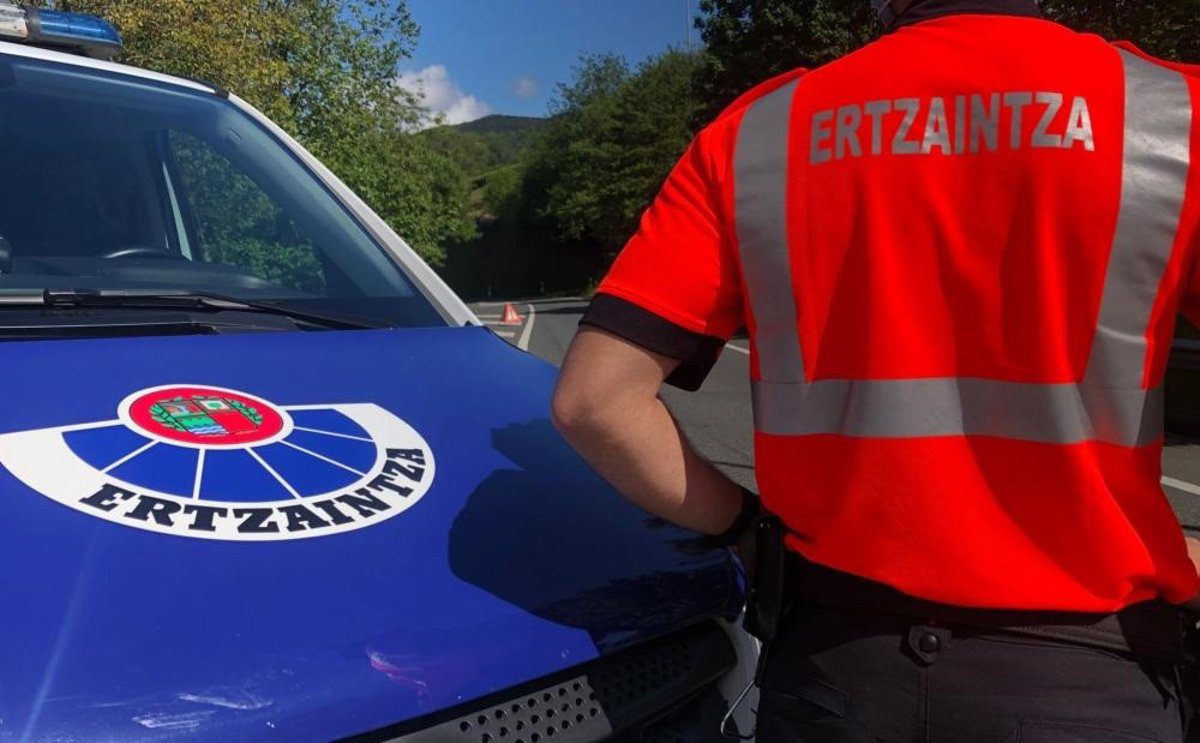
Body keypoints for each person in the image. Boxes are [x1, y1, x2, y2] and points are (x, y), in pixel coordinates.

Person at [551, 0, 1200, 740]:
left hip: (834, 673)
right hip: (1089, 677)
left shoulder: (760, 134)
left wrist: (746, 527)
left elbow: (593, 401)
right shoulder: (1173, 114)